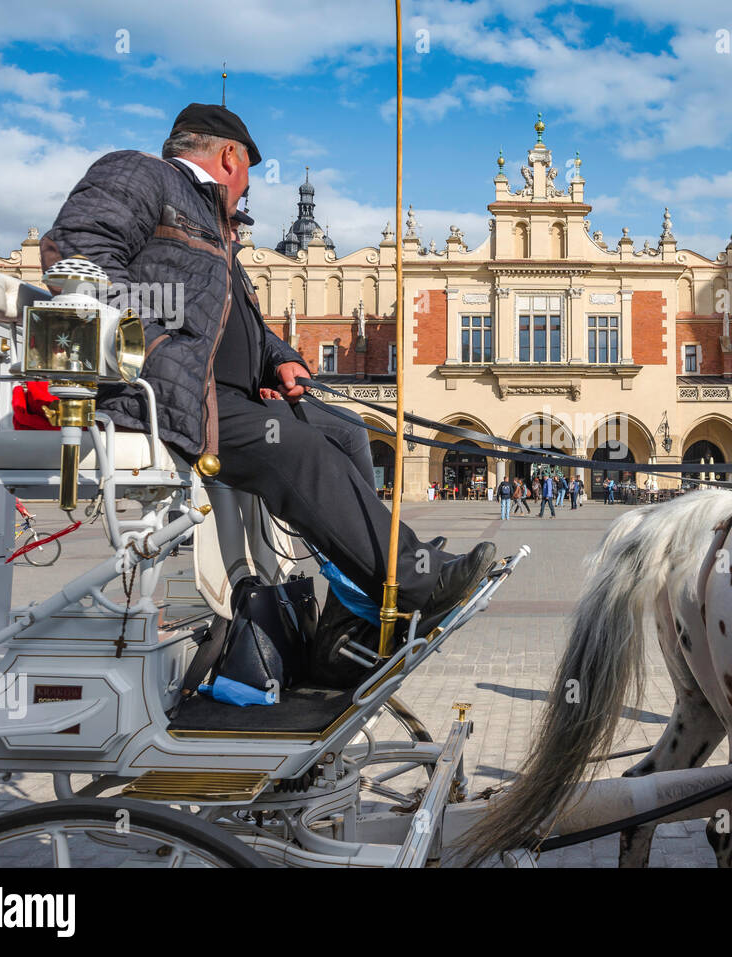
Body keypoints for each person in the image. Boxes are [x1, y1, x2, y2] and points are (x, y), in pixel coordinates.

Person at [39, 103, 491, 623]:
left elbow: (244, 324)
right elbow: (77, 256)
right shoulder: (142, 174)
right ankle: (416, 580)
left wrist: (280, 360)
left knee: (347, 432)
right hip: (175, 392)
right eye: (249, 173)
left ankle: (355, 606)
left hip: (230, 393)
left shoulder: (214, 225)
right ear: (231, 156)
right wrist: (158, 347)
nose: (248, 188)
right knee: (304, 451)